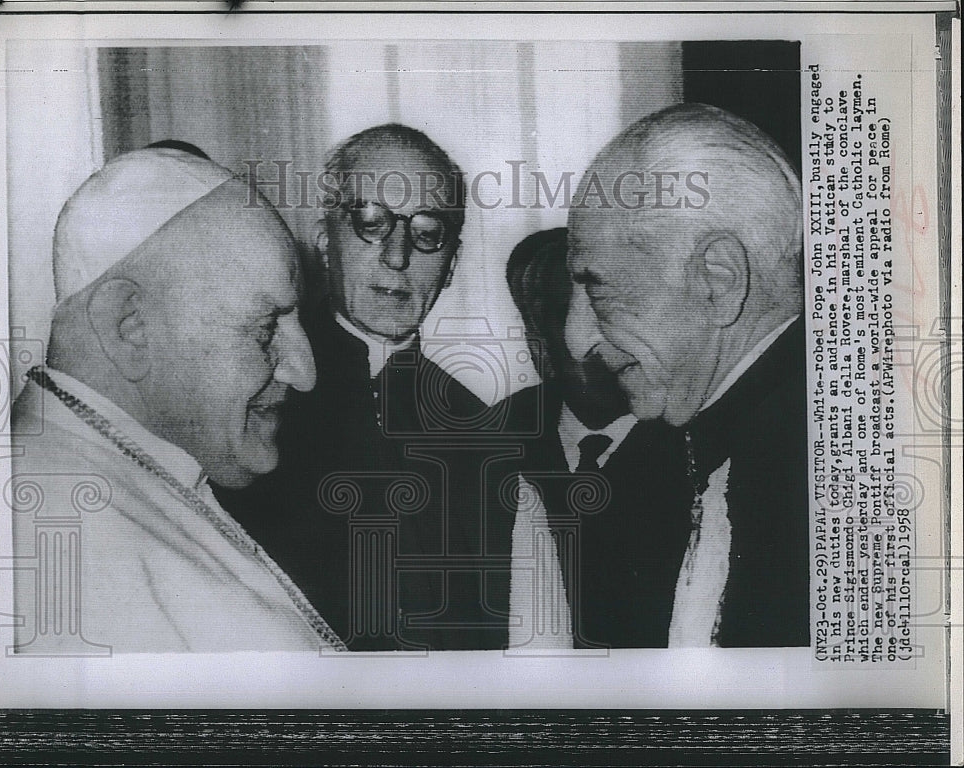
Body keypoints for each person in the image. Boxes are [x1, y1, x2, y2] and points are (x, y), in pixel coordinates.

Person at [10, 146, 341, 654]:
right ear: (130, 327)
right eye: (265, 327)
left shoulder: (119, 474)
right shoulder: (58, 541)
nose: (305, 373)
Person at [216, 124, 511, 651]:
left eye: (427, 233)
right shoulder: (249, 405)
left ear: (451, 266)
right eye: (371, 222)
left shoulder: (479, 431)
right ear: (325, 239)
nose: (397, 256)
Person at [566, 103, 809, 647]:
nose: (577, 339)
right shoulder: (648, 467)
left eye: (597, 287)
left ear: (718, 279)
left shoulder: (838, 479)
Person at [503, 228, 693, 649]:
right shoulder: (494, 436)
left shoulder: (694, 437)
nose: (606, 340)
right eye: (571, 317)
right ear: (539, 340)